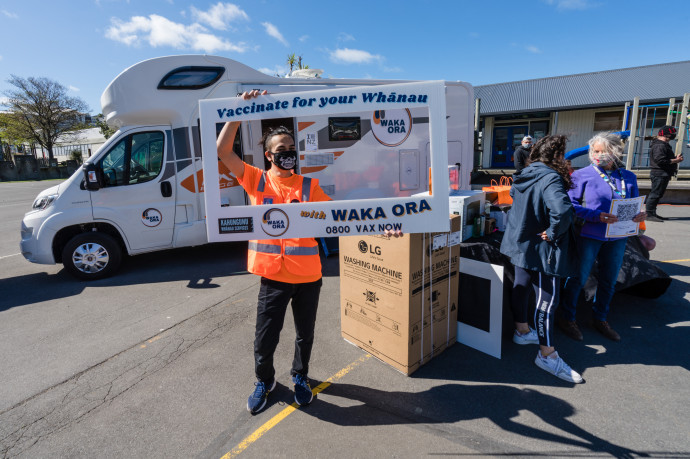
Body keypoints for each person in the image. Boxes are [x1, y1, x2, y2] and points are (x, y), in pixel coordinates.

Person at [216, 90, 332, 414]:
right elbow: (222, 150)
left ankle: (300, 376)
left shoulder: (309, 186)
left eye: (292, 149)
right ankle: (264, 381)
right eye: (282, 150)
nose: (288, 154)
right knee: (264, 340)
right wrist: (239, 108)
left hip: (309, 276)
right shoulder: (256, 181)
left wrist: (382, 224)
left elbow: (340, 218)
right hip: (273, 277)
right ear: (269, 156)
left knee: (304, 337)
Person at [500, 134, 583, 383]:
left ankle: (522, 330)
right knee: (547, 298)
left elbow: (516, 197)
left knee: (522, 285)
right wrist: (553, 232)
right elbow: (562, 210)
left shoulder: (525, 173)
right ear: (557, 155)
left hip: (521, 243)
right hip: (542, 247)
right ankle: (547, 355)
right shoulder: (550, 176)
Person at [558, 132, 646, 342]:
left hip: (618, 236)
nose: (598, 155)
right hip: (590, 234)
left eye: (602, 151)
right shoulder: (581, 175)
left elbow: (634, 204)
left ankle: (601, 318)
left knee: (609, 280)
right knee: (579, 278)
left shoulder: (629, 177)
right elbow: (571, 206)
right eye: (594, 151)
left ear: (616, 152)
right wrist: (596, 216)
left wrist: (641, 214)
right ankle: (567, 318)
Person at [646, 125, 683, 222]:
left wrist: (675, 158)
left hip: (661, 173)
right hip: (660, 173)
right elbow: (660, 160)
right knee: (655, 194)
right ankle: (649, 214)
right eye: (672, 135)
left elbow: (663, 159)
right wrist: (676, 160)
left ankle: (652, 213)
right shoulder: (660, 145)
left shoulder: (660, 144)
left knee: (657, 194)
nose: (672, 137)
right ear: (666, 135)